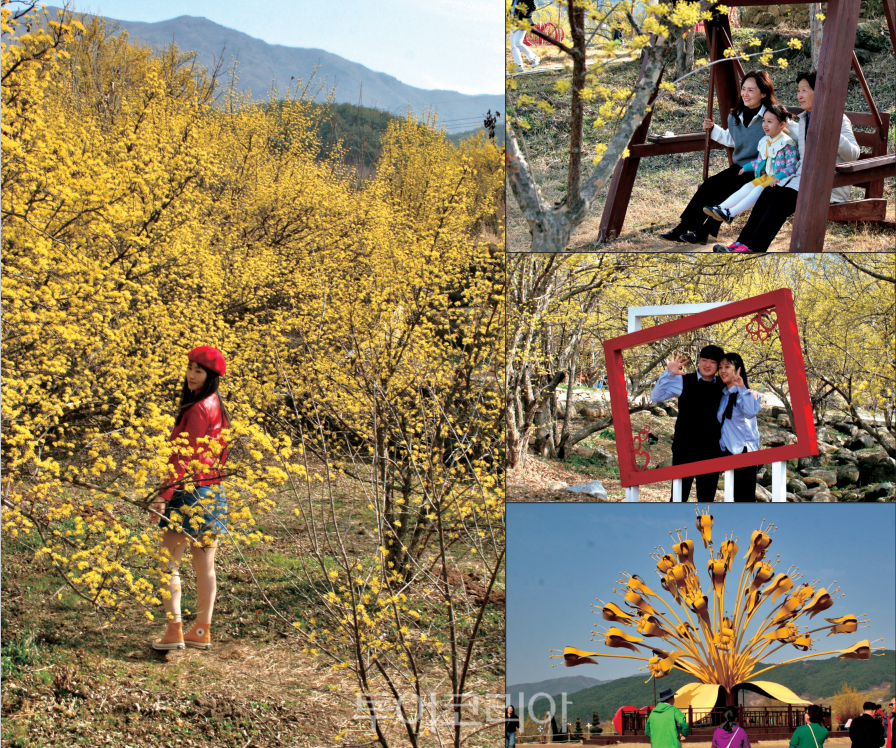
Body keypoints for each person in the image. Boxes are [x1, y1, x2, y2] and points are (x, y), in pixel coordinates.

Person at [716, 69, 860, 253]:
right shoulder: (805, 118)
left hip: (827, 184)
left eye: (804, 90)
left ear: (820, 92)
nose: (799, 95)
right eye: (798, 90)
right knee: (767, 191)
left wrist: (833, 134)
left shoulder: (837, 118)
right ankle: (742, 243)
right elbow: (797, 153)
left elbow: (854, 154)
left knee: (780, 199)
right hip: (802, 180)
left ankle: (754, 247)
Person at [149, 346, 231, 652]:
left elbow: (184, 457)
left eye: (199, 371)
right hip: (213, 491)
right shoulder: (218, 405)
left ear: (211, 377)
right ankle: (201, 631)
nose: (192, 375)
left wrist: (162, 496)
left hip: (188, 491)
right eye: (190, 368)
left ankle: (174, 631)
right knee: (204, 567)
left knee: (167, 563)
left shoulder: (197, 408)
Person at [659, 70, 777, 245]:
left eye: (751, 90)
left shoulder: (771, 116)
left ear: (764, 93)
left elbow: (787, 133)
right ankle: (683, 228)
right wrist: (713, 129)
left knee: (729, 188)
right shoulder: (735, 115)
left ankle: (704, 231)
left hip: (762, 169)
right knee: (709, 185)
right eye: (744, 89)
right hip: (740, 167)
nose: (745, 93)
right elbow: (731, 139)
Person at [651, 345, 726, 502]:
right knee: (678, 498)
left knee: (706, 502)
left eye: (712, 362)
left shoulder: (724, 386)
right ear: (699, 361)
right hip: (684, 449)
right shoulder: (683, 380)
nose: (707, 365)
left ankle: (705, 528)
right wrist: (668, 374)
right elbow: (656, 397)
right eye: (704, 360)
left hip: (711, 451)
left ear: (719, 365)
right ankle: (673, 526)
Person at [705, 105, 799, 226]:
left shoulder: (787, 144)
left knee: (757, 190)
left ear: (781, 125)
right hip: (766, 177)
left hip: (778, 180)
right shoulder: (765, 141)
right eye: (763, 120)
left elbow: (792, 166)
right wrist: (747, 167)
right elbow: (760, 161)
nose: (765, 124)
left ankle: (731, 213)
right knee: (747, 187)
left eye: (769, 121)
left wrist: (779, 177)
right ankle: (720, 208)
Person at [716, 352, 761, 502]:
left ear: (738, 370)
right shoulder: (724, 395)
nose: (722, 371)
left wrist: (742, 388)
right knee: (732, 499)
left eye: (727, 367)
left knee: (744, 500)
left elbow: (751, 412)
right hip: (728, 453)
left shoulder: (747, 394)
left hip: (745, 454)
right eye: (720, 367)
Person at [510, 0, 541, 70]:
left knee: (518, 42)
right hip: (513, 23)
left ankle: (534, 58)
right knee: (513, 46)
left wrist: (524, 16)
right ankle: (518, 65)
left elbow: (533, 7)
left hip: (523, 22)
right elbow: (512, 10)